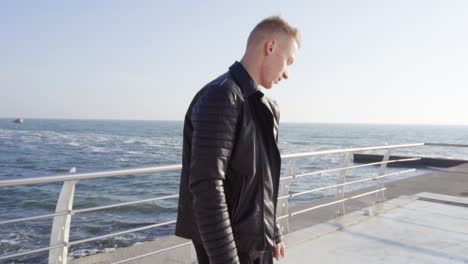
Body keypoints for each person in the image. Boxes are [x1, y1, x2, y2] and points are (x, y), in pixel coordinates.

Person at [175, 16, 300, 264]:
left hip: (257, 245)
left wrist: (272, 231)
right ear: (270, 47)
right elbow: (207, 185)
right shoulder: (221, 96)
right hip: (230, 250)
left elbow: (262, 180)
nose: (287, 73)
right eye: (288, 61)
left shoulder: (265, 107)